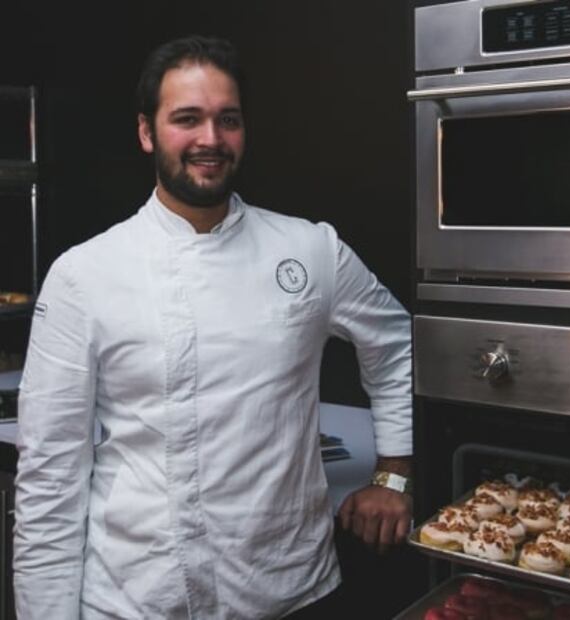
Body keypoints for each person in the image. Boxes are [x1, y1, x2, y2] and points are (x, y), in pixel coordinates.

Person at [14, 35, 413, 619]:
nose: (210, 139)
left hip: (289, 588)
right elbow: (50, 476)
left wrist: (394, 474)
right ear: (147, 132)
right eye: (187, 119)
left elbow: (396, 343)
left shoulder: (311, 249)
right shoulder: (84, 275)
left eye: (227, 120)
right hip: (135, 597)